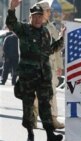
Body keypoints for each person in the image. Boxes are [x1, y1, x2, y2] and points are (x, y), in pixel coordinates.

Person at [6, 0, 66, 141]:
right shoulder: (24, 29)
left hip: (44, 76)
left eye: (40, 16)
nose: (38, 18)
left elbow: (50, 50)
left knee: (45, 105)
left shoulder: (45, 32)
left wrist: (62, 38)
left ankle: (50, 134)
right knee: (28, 105)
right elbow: (11, 24)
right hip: (28, 76)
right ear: (31, 17)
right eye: (35, 16)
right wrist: (11, 9)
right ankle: (30, 134)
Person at [33, 0, 64, 129]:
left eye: (49, 11)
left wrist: (59, 66)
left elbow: (57, 49)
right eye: (47, 11)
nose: (49, 13)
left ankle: (53, 119)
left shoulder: (51, 27)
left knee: (52, 92)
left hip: (50, 66)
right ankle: (32, 118)